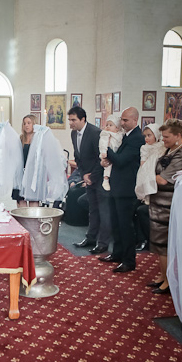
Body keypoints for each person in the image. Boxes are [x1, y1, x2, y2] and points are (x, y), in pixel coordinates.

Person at [98, 107, 145, 272]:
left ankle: (128, 261)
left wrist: (106, 149)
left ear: (135, 120)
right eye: (122, 120)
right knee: (116, 223)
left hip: (126, 189)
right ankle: (117, 253)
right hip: (117, 186)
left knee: (126, 226)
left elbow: (121, 160)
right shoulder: (126, 136)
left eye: (125, 120)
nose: (122, 123)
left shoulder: (137, 138)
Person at [146, 119, 182, 294]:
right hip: (159, 202)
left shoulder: (181, 154)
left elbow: (163, 178)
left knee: (163, 244)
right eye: (162, 137)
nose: (163, 140)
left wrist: (148, 173)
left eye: (167, 137)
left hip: (167, 204)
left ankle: (169, 281)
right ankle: (162, 276)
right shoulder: (169, 150)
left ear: (179, 136)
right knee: (158, 243)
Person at [69, 106, 111, 254]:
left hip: (100, 178)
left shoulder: (95, 133)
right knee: (93, 210)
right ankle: (91, 238)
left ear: (83, 119)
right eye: (69, 120)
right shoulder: (74, 134)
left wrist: (92, 176)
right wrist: (84, 175)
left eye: (73, 120)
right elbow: (78, 156)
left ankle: (103, 243)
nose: (71, 123)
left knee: (103, 211)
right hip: (88, 177)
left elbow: (101, 158)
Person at [16, 114, 68, 206]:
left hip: (34, 173)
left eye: (29, 123)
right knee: (20, 199)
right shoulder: (21, 138)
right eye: (24, 123)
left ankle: (33, 219)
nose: (26, 125)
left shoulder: (39, 138)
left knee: (33, 199)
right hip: (21, 172)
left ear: (34, 124)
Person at [133, 122, 164, 251]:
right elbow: (144, 167)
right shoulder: (144, 148)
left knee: (142, 211)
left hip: (156, 186)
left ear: (156, 135)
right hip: (144, 180)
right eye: (145, 135)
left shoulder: (162, 148)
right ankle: (140, 239)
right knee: (133, 208)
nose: (146, 138)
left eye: (149, 135)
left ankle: (147, 239)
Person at [99, 114, 124, 191]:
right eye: (107, 125)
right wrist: (104, 152)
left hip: (116, 154)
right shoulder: (105, 134)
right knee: (107, 165)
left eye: (111, 125)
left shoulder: (120, 134)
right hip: (107, 153)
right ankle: (105, 179)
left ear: (117, 128)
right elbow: (103, 143)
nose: (108, 127)